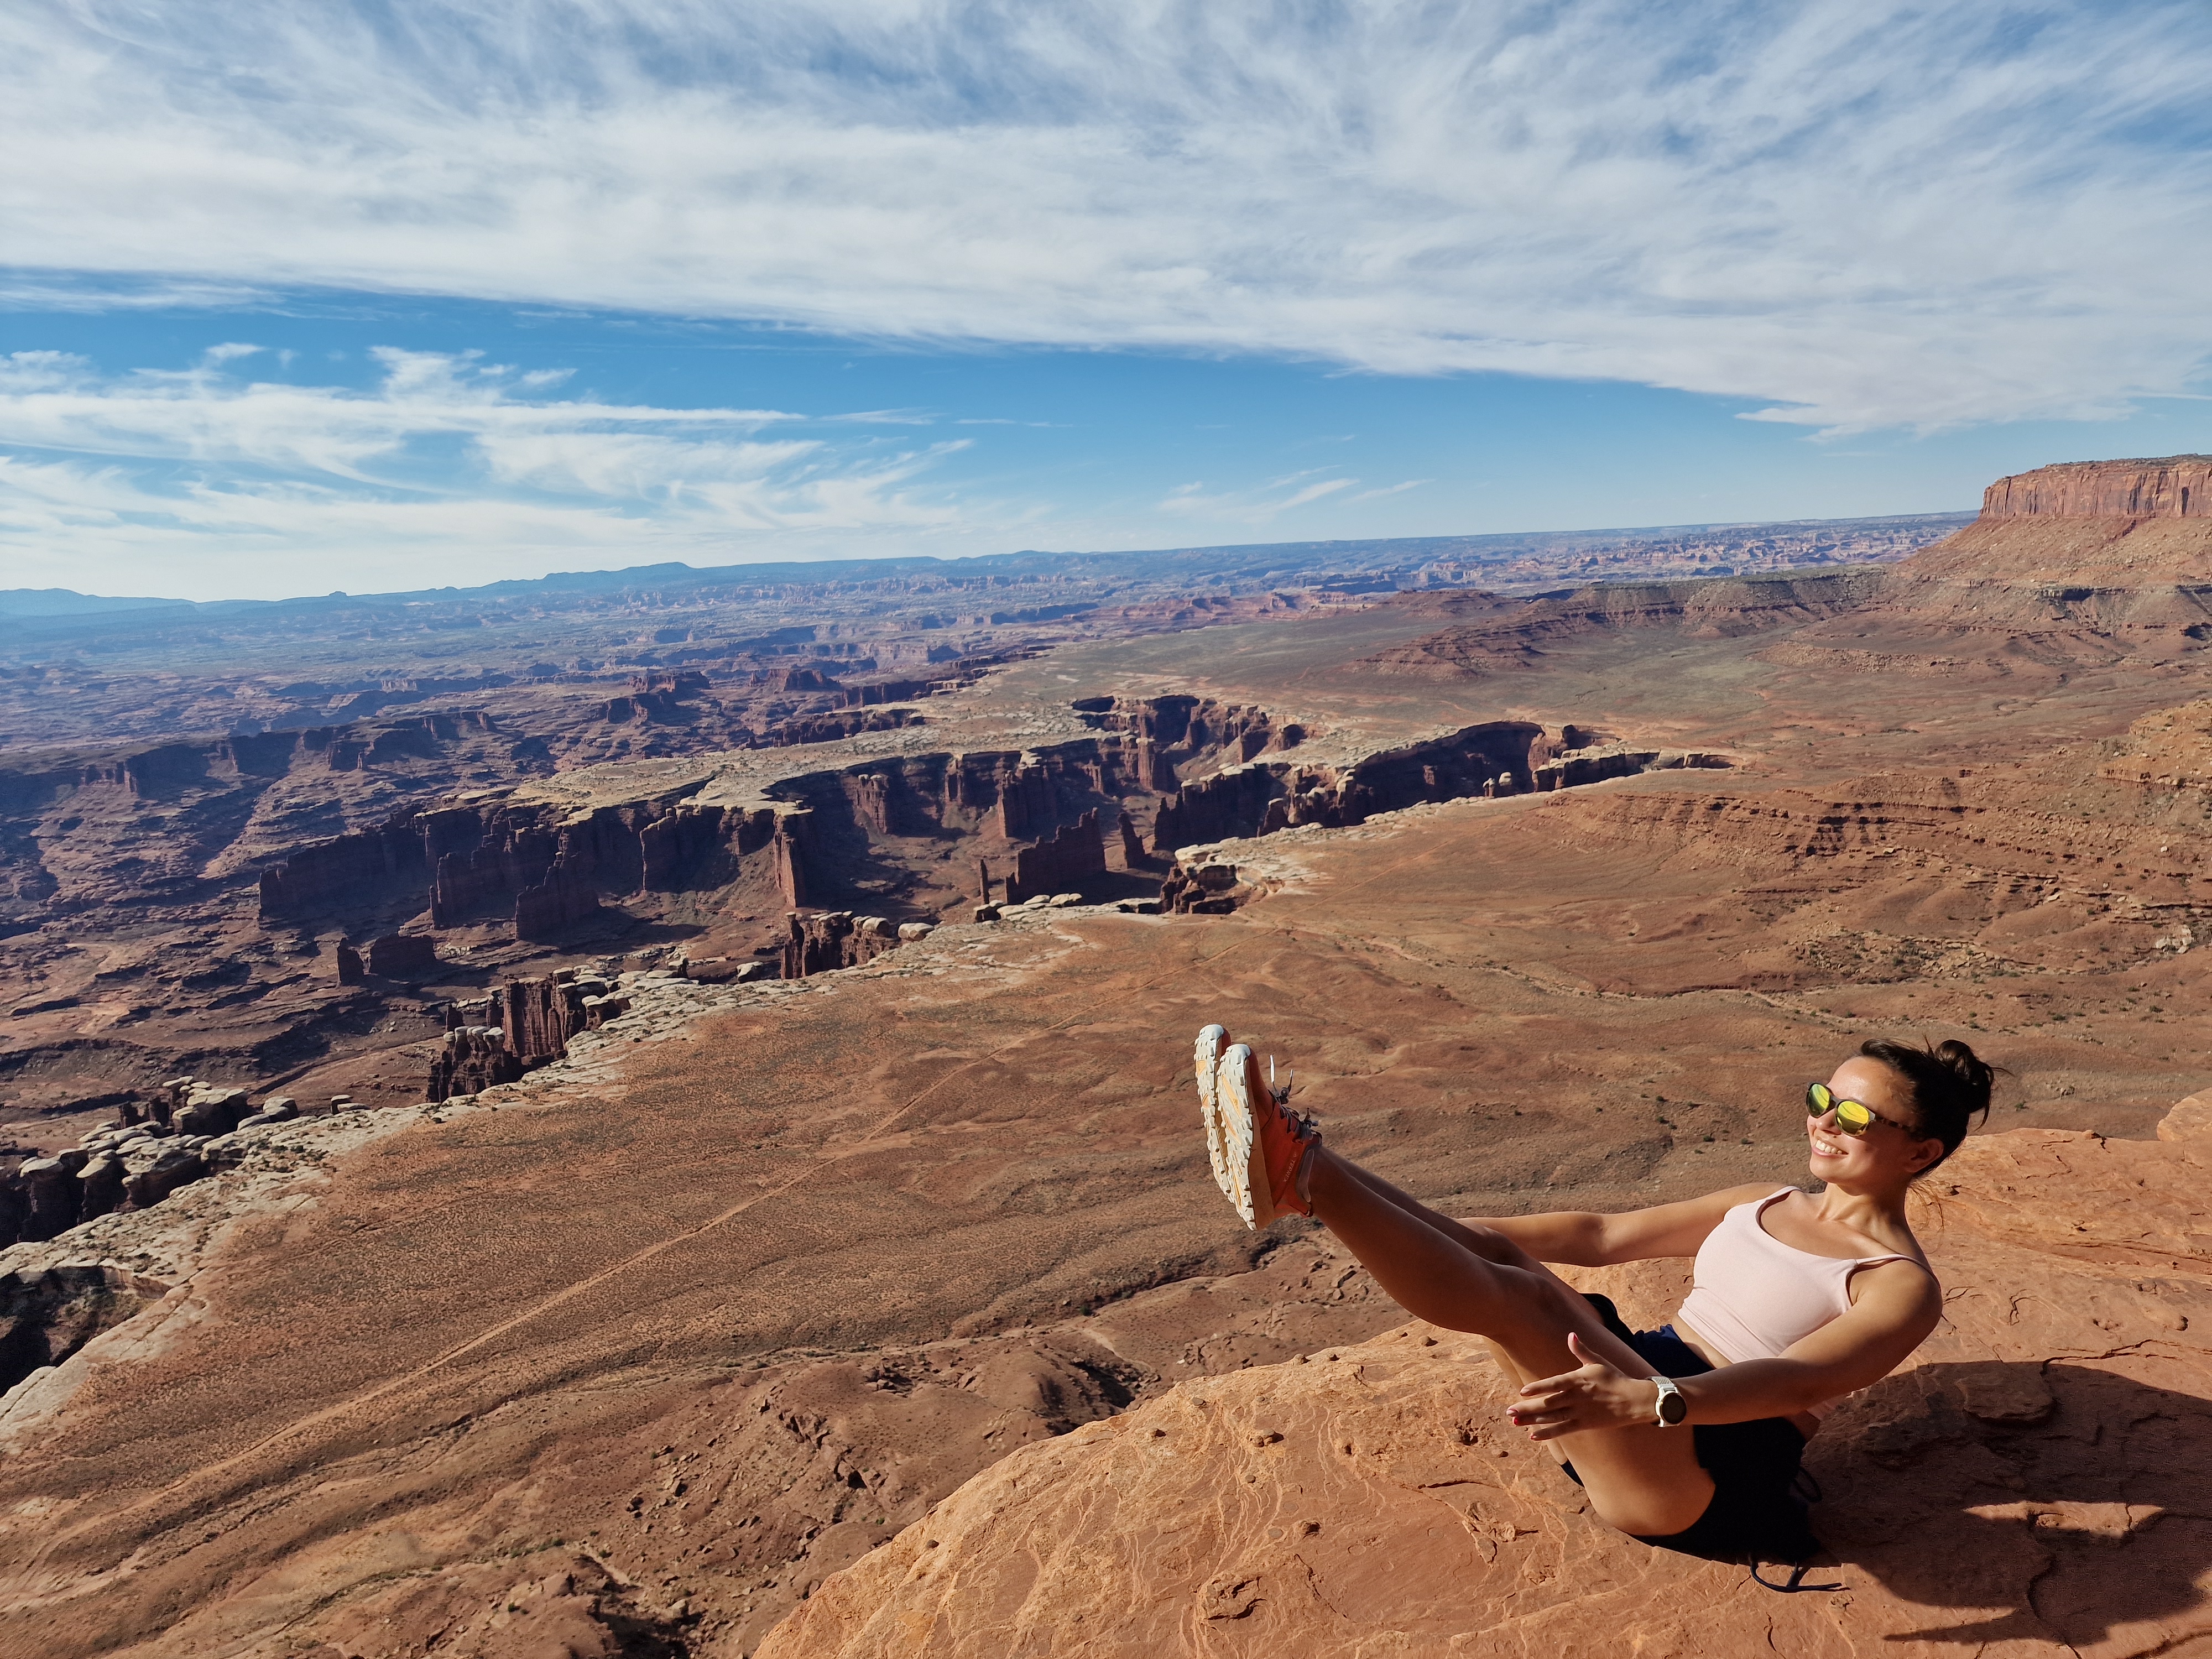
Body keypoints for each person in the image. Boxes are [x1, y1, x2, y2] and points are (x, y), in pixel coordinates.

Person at [1191, 1024, 1994, 1577]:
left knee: (1527, 1303)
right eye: (1822, 1098)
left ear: (1920, 1152)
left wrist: (1652, 1400)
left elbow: (1799, 1384)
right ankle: (1304, 1167)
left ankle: (1304, 1175)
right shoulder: (1765, 1200)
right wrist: (1447, 1234)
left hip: (1704, 1463)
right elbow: (1604, 1235)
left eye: (1854, 1115)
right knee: (1503, 1258)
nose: (1825, 1122)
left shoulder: (1898, 1283)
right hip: (1633, 1392)